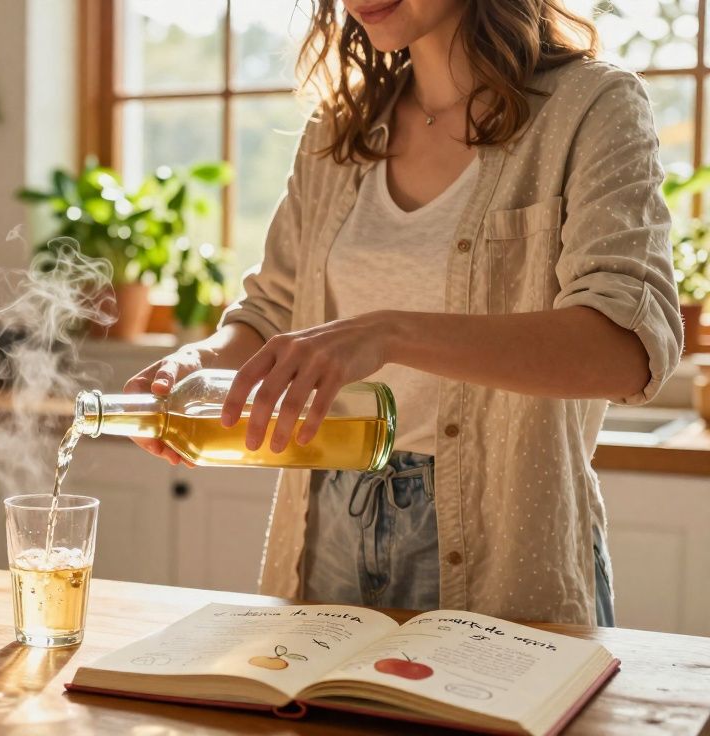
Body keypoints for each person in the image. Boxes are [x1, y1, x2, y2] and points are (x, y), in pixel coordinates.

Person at [127, 0, 682, 626]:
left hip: (510, 540)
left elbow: (626, 349)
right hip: (328, 527)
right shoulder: (338, 129)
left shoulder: (590, 105)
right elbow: (270, 311)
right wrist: (201, 358)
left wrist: (389, 333)